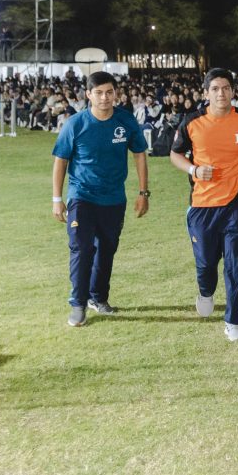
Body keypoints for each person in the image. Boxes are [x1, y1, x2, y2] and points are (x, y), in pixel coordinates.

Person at [170, 68, 238, 342]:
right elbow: (175, 155)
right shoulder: (192, 122)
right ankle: (206, 291)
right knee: (206, 263)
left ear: (232, 91)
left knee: (236, 261)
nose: (221, 93)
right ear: (206, 93)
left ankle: (234, 319)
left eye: (225, 88)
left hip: (237, 203)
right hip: (202, 205)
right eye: (215, 89)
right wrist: (194, 170)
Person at [52, 71, 149, 327]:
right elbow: (60, 160)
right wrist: (56, 198)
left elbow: (140, 154)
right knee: (82, 249)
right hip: (81, 196)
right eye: (98, 93)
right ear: (88, 95)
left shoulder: (126, 121)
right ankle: (78, 304)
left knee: (107, 250)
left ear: (116, 93)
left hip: (114, 198)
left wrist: (143, 193)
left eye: (109, 92)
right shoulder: (75, 124)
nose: (104, 98)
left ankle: (98, 297)